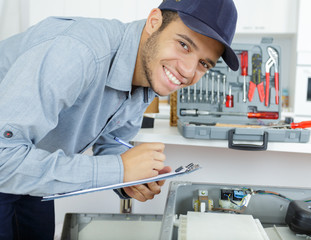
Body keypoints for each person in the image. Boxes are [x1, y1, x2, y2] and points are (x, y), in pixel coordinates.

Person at [0, 0, 239, 239]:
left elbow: (111, 141)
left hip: (32, 165)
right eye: (184, 45)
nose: (188, 71)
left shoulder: (149, 72)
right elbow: (4, 157)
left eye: (203, 63)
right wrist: (119, 169)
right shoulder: (78, 52)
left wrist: (129, 179)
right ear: (154, 22)